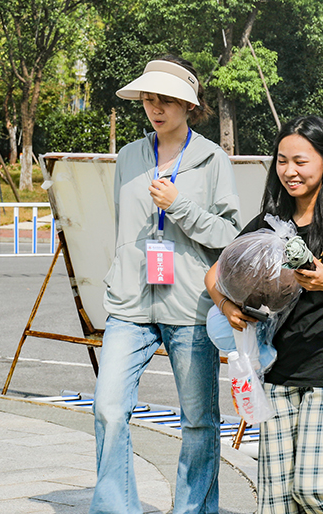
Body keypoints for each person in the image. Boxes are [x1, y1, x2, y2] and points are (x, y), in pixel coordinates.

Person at [206, 115, 323, 514]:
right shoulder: (268, 225)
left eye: (300, 161)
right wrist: (228, 307)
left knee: (316, 489)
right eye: (282, 161)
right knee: (276, 500)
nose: (289, 171)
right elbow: (215, 274)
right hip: (277, 371)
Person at [91, 55, 242, 514]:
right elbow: (124, 226)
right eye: (148, 100)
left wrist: (180, 206)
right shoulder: (128, 157)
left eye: (167, 101)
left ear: (189, 105)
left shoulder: (212, 159)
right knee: (108, 408)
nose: (155, 109)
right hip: (130, 305)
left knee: (198, 422)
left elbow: (231, 235)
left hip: (190, 306)